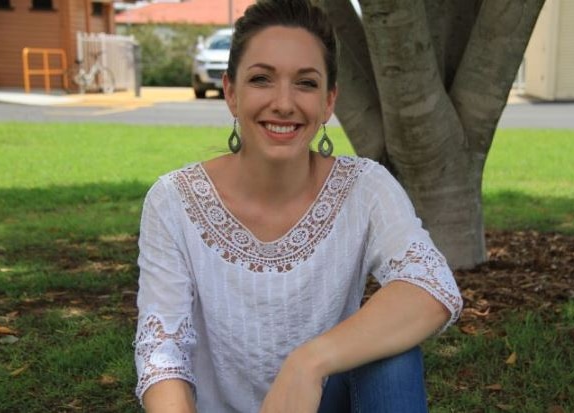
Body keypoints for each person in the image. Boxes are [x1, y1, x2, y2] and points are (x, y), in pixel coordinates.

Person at [133, 0, 463, 412]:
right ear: (231, 93)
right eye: (262, 79)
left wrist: (307, 363)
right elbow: (163, 353)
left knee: (393, 358)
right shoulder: (174, 201)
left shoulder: (364, 187)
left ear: (328, 102)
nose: (284, 103)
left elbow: (430, 287)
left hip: (322, 402)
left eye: (306, 83)